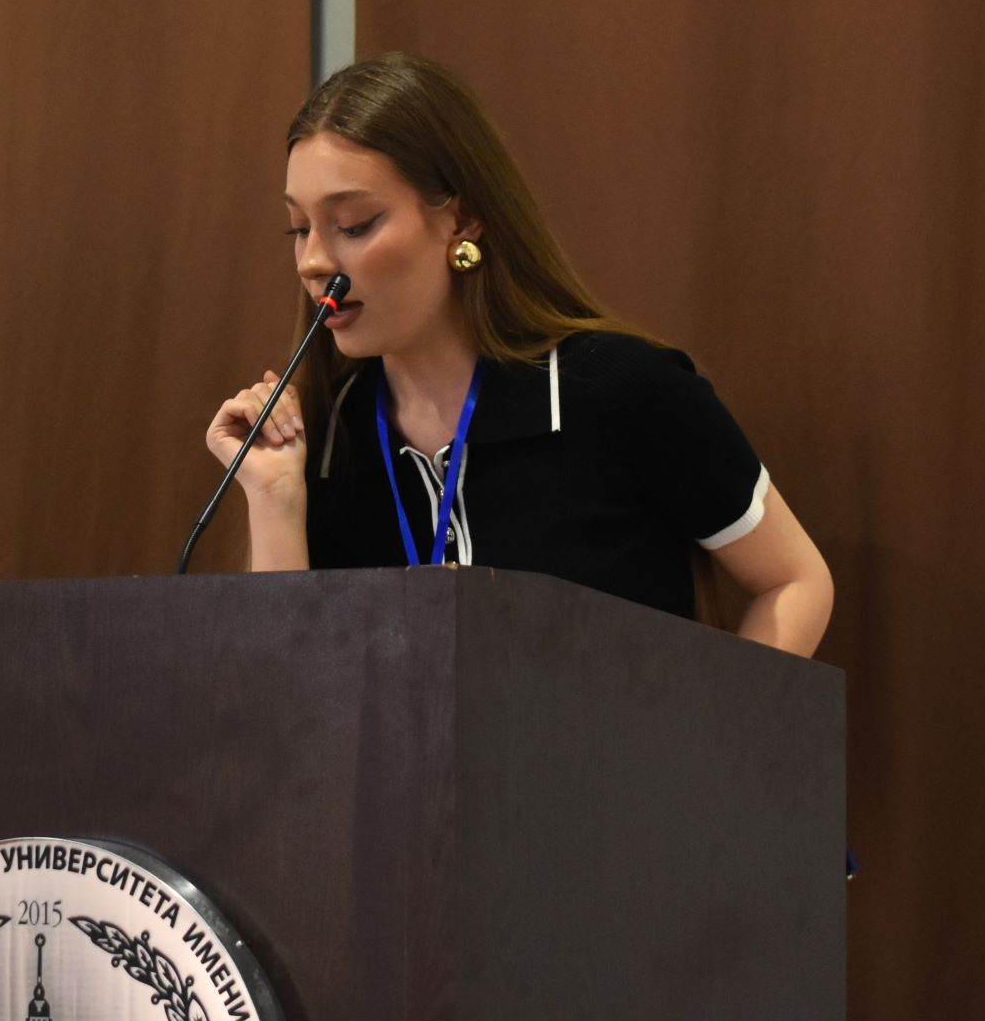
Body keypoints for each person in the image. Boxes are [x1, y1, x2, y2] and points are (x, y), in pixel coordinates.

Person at [204, 53, 833, 657]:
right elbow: (289, 692)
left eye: (354, 224)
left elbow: (794, 581)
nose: (313, 261)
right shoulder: (326, 432)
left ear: (463, 220)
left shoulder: (625, 390)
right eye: (298, 229)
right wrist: (275, 498)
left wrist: (707, 730)